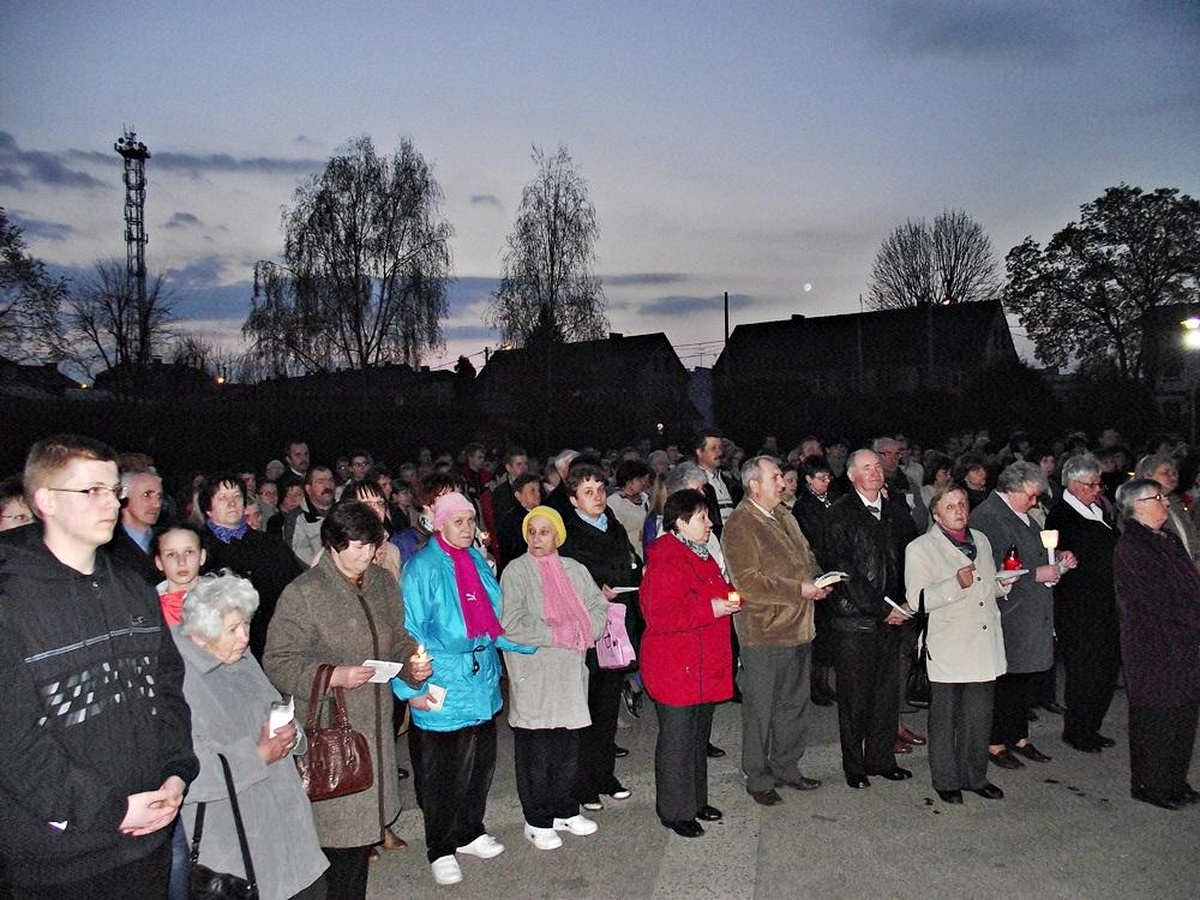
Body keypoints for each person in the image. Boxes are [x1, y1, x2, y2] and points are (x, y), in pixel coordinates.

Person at [0, 434, 198, 898]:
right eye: (92, 490)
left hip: (148, 837)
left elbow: (167, 689)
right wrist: (110, 810)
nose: (112, 502)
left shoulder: (133, 589)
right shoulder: (12, 600)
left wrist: (175, 771)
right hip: (61, 858)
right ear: (46, 500)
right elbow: (13, 740)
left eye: (113, 490)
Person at [264, 501, 431, 900]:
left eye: (371, 545)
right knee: (337, 846)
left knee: (356, 847)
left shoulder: (381, 582)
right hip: (332, 734)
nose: (366, 555)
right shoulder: (304, 593)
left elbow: (398, 637)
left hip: (374, 731)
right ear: (333, 545)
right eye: (356, 547)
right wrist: (333, 675)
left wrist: (412, 663)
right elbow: (278, 661)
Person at [401, 492, 531, 885]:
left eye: (471, 520)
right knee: (443, 771)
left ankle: (470, 830)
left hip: (480, 674)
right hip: (442, 676)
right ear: (439, 524)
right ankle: (440, 847)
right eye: (458, 521)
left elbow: (495, 615)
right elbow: (408, 630)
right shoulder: (421, 567)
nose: (467, 528)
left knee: (480, 763)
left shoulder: (474, 558)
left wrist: (530, 642)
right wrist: (410, 687)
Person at [175, 572, 328, 900]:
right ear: (200, 634)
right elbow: (185, 772)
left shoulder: (241, 658)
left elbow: (274, 708)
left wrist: (291, 733)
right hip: (237, 847)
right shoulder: (178, 682)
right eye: (232, 629)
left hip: (289, 831)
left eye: (246, 624)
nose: (245, 637)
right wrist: (257, 756)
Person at [499, 505, 608, 850]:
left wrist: (586, 629)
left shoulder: (575, 569)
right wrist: (557, 632)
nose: (536, 538)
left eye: (544, 532)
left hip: (569, 672)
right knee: (537, 750)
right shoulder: (516, 571)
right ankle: (537, 819)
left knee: (566, 746)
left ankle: (564, 808)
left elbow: (598, 607)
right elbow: (510, 623)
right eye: (531, 531)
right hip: (534, 674)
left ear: (557, 536)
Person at [722, 456, 830, 805]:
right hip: (764, 632)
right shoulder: (740, 524)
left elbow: (806, 557)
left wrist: (818, 580)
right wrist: (799, 589)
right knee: (761, 710)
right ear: (754, 485)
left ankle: (786, 767)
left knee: (794, 706)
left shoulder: (784, 515)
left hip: (799, 627)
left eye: (782, 476)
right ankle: (758, 776)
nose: (783, 483)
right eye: (776, 477)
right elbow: (748, 583)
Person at [904, 485, 1011, 804]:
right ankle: (946, 779)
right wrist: (954, 585)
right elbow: (917, 600)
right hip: (948, 645)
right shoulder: (921, 548)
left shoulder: (981, 540)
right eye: (950, 506)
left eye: (962, 503)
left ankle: (975, 777)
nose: (959, 510)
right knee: (945, 718)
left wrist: (1003, 584)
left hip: (983, 643)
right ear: (936, 515)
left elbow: (986, 588)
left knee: (978, 718)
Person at [641, 490, 738, 834]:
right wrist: (711, 608)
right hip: (675, 667)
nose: (710, 523)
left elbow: (714, 592)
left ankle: (695, 800)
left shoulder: (701, 553)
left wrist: (731, 598)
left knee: (696, 738)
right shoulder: (667, 560)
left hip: (700, 664)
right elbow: (659, 617)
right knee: (677, 742)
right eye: (702, 518)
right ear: (681, 523)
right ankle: (674, 811)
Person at [970, 461, 1076, 770]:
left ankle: (1018, 735)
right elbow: (992, 569)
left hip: (1030, 609)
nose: (1034, 502)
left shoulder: (1021, 514)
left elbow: (1035, 552)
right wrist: (1037, 573)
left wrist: (1057, 560)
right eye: (1030, 495)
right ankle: (995, 741)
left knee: (1023, 679)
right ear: (1011, 489)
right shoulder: (988, 517)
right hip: (1009, 610)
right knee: (1006, 681)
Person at [822, 448, 918, 789]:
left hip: (893, 617)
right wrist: (881, 608)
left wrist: (907, 602)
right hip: (855, 621)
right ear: (852, 476)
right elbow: (844, 572)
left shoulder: (896, 512)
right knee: (855, 697)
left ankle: (881, 759)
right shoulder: (839, 514)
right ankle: (854, 765)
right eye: (867, 467)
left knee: (885, 695)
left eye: (878, 466)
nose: (876, 471)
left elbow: (911, 557)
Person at [559, 460, 643, 811]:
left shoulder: (613, 523)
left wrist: (634, 571)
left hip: (617, 622)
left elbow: (628, 560)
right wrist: (596, 589)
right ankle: (583, 785)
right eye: (588, 492)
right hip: (588, 629)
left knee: (608, 706)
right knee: (588, 708)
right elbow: (566, 579)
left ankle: (605, 775)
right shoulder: (569, 533)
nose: (597, 497)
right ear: (574, 500)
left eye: (600, 489)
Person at [1112, 478, 1200, 810]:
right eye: (1157, 497)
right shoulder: (1132, 547)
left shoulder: (1168, 539)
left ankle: (1175, 780)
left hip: (1183, 643)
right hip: (1154, 646)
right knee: (1157, 718)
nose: (1165, 502)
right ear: (1137, 506)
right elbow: (1159, 599)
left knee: (1183, 716)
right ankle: (1151, 785)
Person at [1045, 454, 1121, 753]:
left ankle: (1092, 725)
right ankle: (1077, 730)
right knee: (1084, 671)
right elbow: (1054, 555)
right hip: (1078, 607)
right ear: (1074, 484)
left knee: (1105, 668)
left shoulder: (1096, 510)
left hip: (1105, 603)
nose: (1097, 490)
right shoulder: (1061, 516)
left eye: (1099, 484)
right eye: (1092, 485)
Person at [199, 473, 306, 661]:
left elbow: (296, 586)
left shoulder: (270, 544)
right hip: (222, 647)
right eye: (222, 498)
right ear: (208, 508)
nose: (232, 503)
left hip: (274, 640)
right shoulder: (198, 549)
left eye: (237, 496)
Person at [103, 466, 164, 584]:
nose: (157, 504)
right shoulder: (108, 546)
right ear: (123, 498)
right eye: (147, 495)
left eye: (159, 496)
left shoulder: (167, 539)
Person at [155, 522, 208, 627]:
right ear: (159, 562)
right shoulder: (149, 605)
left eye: (189, 552)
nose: (181, 562)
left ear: (202, 556)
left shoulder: (223, 598)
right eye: (171, 554)